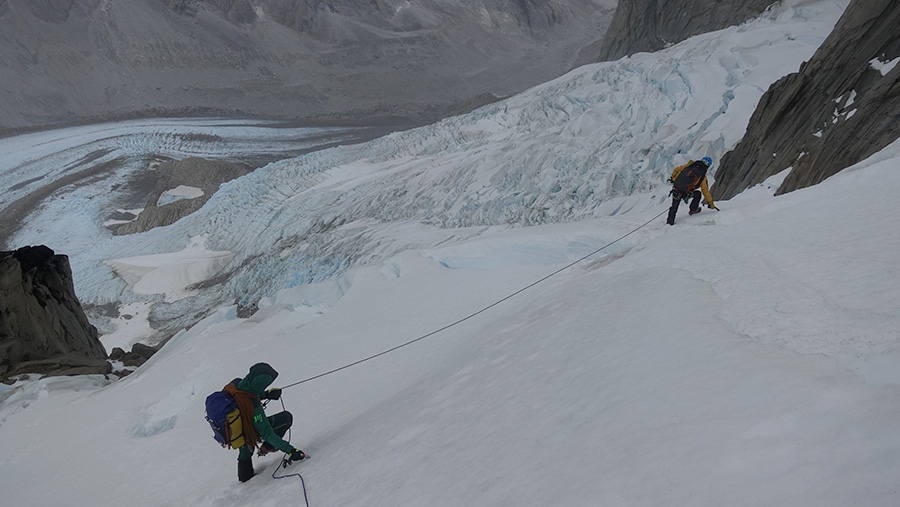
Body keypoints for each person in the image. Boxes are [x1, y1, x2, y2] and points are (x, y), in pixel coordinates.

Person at [230, 362, 306, 482]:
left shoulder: (239, 385)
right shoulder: (255, 409)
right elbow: (267, 433)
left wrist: (266, 394)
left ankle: (245, 481)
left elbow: (250, 392)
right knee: (285, 418)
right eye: (265, 384)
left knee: (245, 451)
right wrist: (291, 450)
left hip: (239, 429)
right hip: (251, 428)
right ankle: (267, 447)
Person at [666, 156, 718, 225]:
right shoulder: (702, 177)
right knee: (698, 194)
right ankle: (693, 209)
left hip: (676, 188)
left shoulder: (689, 166)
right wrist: (710, 202)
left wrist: (673, 178)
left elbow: (676, 169)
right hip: (686, 193)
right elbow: (705, 191)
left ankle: (670, 222)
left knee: (674, 205)